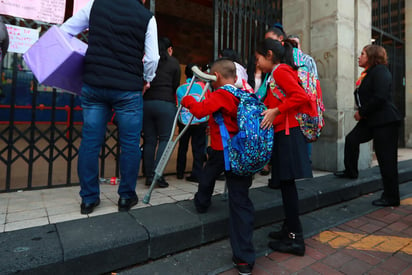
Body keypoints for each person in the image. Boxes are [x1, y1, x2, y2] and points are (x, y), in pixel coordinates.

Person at [60, 0, 159, 214]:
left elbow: (65, 31)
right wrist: (146, 79)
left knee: (90, 142)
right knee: (130, 143)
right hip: (128, 89)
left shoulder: (96, 5)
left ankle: (88, 199)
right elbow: (152, 58)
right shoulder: (146, 16)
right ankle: (125, 197)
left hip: (94, 85)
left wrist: (82, 59)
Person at [181, 59, 255, 275]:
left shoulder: (222, 93)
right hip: (244, 152)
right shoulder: (246, 93)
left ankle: (202, 203)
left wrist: (187, 99)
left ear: (218, 77)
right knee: (241, 200)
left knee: (207, 175)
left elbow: (200, 111)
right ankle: (244, 259)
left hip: (223, 150)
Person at [257, 38, 313, 256]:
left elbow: (300, 96)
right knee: (284, 184)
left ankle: (295, 239)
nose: (258, 63)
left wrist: (275, 111)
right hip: (285, 133)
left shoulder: (280, 71)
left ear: (269, 54)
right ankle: (288, 228)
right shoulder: (278, 72)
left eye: (258, 58)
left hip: (288, 133)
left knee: (287, 186)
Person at [334, 45, 401, 207]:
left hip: (385, 121)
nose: (359, 56)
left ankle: (391, 197)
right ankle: (351, 171)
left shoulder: (381, 72)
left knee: (386, 160)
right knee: (352, 139)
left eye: (363, 54)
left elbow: (380, 97)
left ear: (371, 56)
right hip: (371, 119)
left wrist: (361, 112)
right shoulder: (368, 73)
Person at [142, 37, 181, 188]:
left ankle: (148, 175)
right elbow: (175, 85)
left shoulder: (147, 61)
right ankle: (157, 175)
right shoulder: (173, 62)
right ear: (168, 49)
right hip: (165, 104)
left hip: (147, 103)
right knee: (165, 139)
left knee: (149, 140)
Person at [176, 63, 208, 182]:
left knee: (182, 147)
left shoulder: (181, 88)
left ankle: (180, 172)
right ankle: (197, 173)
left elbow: (179, 105)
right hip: (200, 120)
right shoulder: (203, 87)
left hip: (184, 121)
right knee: (198, 147)